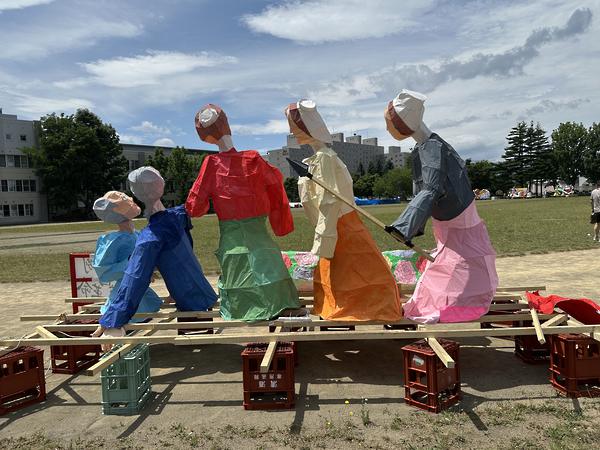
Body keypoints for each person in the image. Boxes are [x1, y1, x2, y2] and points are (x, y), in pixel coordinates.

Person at [384, 89, 498, 323]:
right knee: (445, 269)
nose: (387, 129)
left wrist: (404, 227)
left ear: (403, 122)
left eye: (389, 124)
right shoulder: (427, 146)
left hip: (458, 228)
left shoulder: (432, 148)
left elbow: (430, 189)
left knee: (459, 268)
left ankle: (456, 304)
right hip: (450, 228)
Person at [284, 99, 402, 321]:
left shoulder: (325, 158)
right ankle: (341, 306)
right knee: (341, 271)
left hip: (341, 224)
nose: (292, 132)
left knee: (357, 267)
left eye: (295, 127)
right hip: (334, 224)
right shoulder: (318, 158)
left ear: (307, 127)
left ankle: (370, 307)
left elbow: (329, 199)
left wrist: (324, 234)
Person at [186, 104, 301, 321]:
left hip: (232, 242)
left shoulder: (211, 164)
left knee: (240, 276)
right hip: (260, 239)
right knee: (267, 272)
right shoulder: (253, 159)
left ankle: (246, 309)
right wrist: (281, 224)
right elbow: (276, 187)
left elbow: (194, 207)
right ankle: (275, 305)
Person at [93, 167, 218, 343]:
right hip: (200, 292)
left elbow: (135, 278)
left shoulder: (150, 236)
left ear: (136, 193)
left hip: (189, 300)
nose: (129, 199)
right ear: (162, 184)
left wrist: (112, 321)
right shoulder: (178, 215)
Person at [91, 191, 162, 323]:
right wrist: (132, 264)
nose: (131, 201)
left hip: (139, 288)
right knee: (125, 312)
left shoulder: (137, 234)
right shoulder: (114, 240)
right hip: (126, 289)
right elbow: (104, 270)